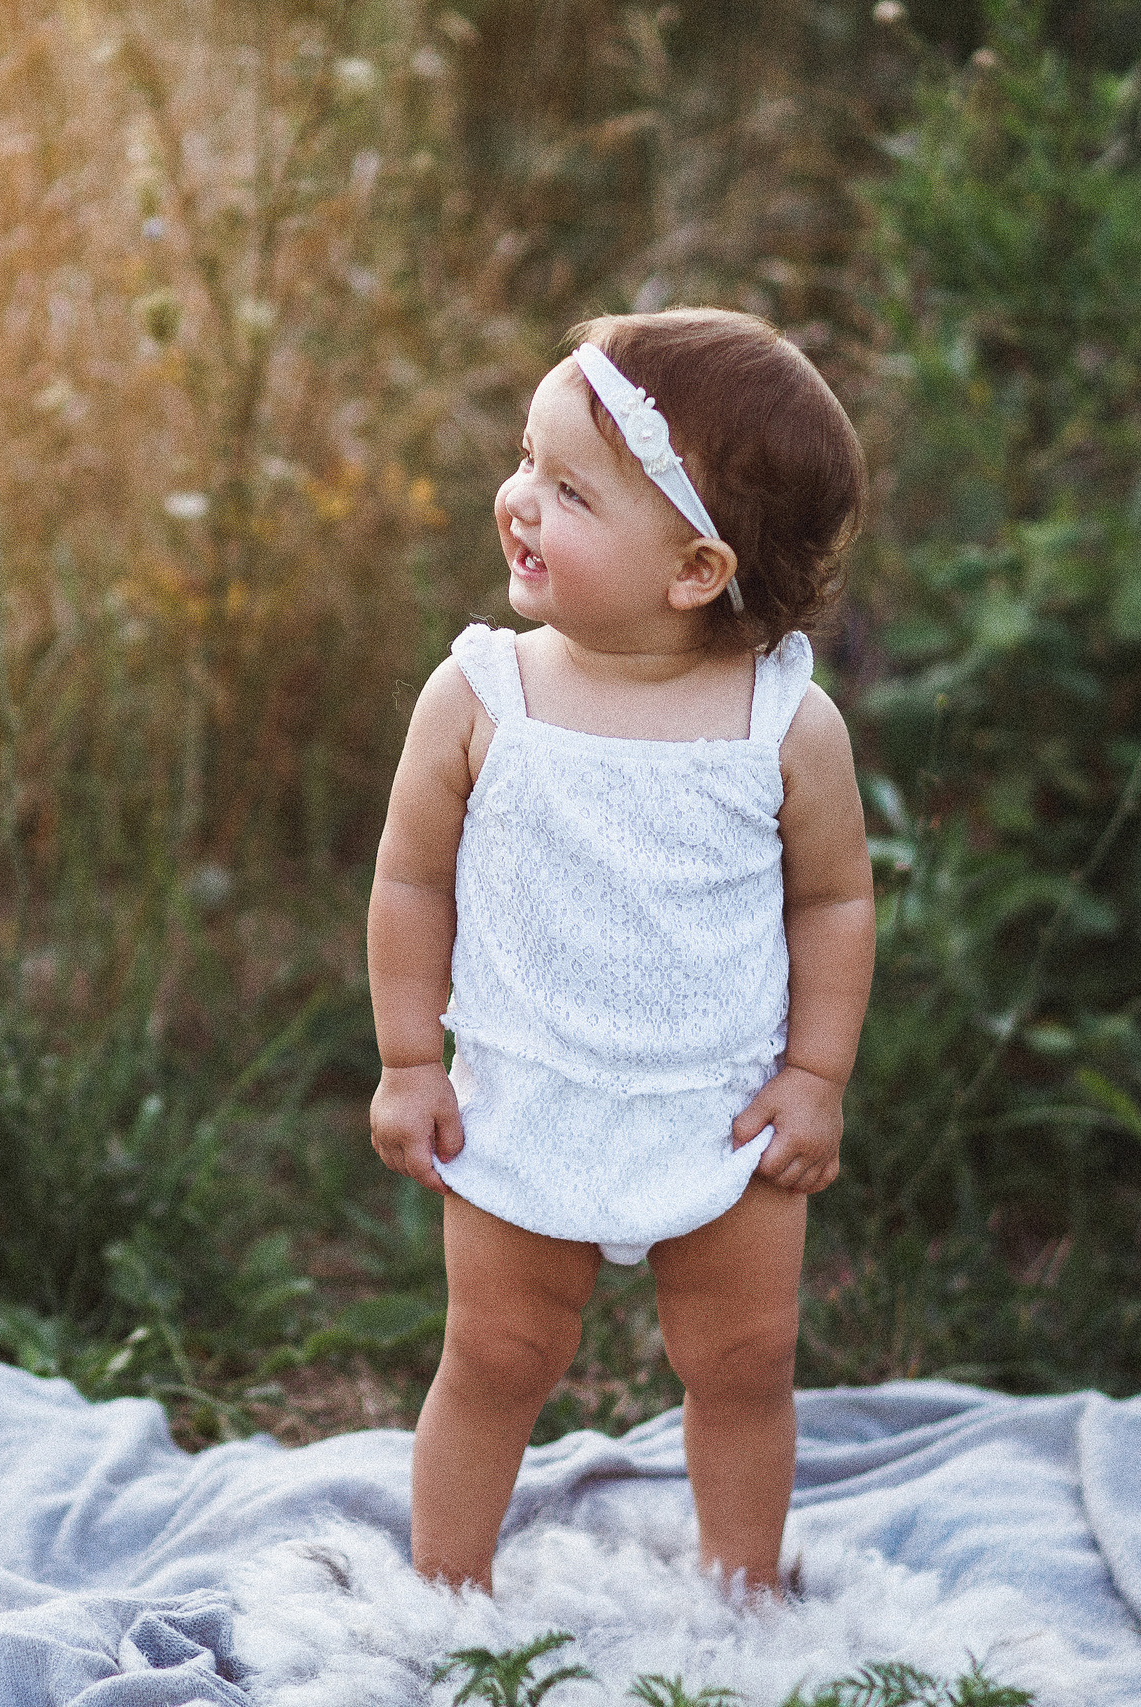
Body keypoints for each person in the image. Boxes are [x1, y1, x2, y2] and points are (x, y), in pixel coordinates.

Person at [366, 307, 873, 1599]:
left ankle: (743, 1597)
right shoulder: (485, 697)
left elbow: (832, 903)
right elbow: (412, 880)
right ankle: (443, 1593)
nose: (519, 502)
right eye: (526, 464)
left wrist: (814, 1079)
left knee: (746, 1362)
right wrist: (409, 1061)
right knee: (495, 1355)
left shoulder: (782, 724)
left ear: (697, 571)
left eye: (569, 489)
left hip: (726, 1107)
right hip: (525, 1094)